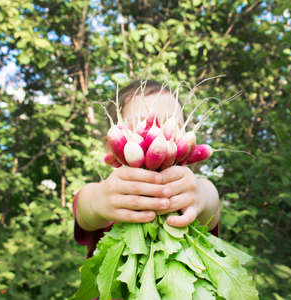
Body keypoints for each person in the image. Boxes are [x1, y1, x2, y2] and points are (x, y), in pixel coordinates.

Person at [73, 80, 221, 257]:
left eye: (172, 125)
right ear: (110, 146)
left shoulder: (192, 191)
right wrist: (99, 202)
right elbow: (85, 208)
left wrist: (202, 196)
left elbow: (211, 205)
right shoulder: (109, 193)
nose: (159, 134)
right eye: (141, 124)